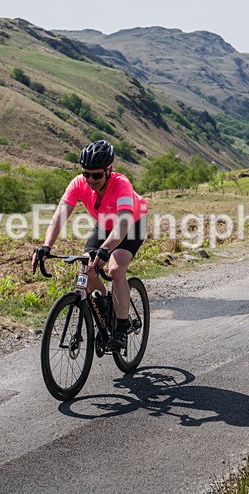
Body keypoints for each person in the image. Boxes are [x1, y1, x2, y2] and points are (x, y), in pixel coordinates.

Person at [34, 140, 148, 349]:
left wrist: (105, 250)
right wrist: (46, 247)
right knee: (87, 265)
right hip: (105, 223)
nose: (90, 179)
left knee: (115, 268)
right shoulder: (78, 183)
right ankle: (105, 307)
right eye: (86, 174)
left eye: (96, 175)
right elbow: (59, 216)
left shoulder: (122, 184)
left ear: (109, 170)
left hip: (132, 223)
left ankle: (121, 329)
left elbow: (122, 224)